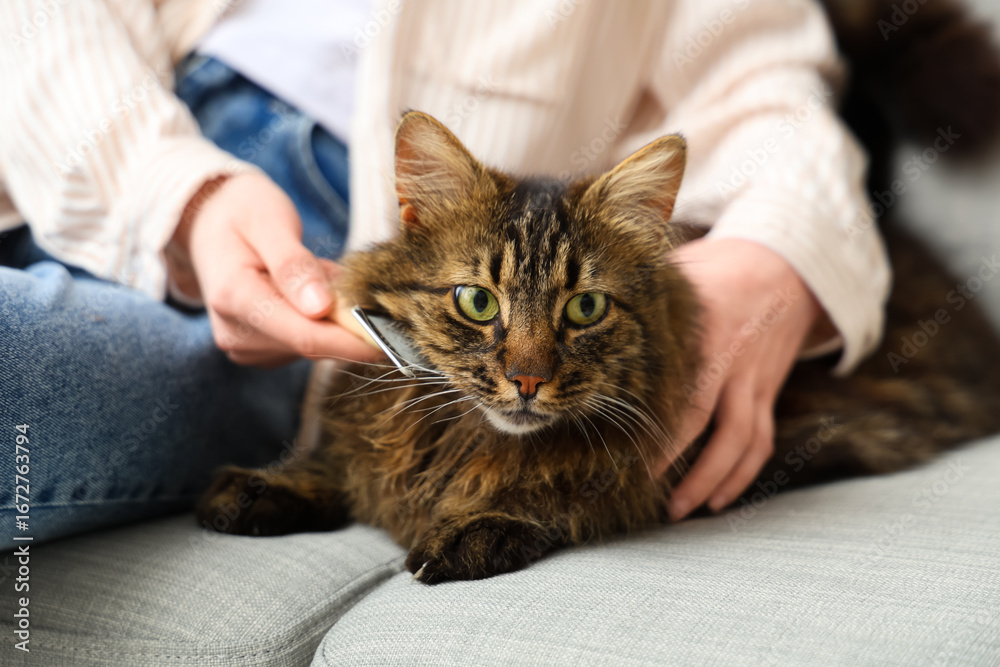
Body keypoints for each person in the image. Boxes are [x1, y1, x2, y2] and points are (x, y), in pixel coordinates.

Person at [0, 0, 889, 549]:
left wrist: (771, 257)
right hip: (64, 154)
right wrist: (177, 193)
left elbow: (779, 103)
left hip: (316, 285)